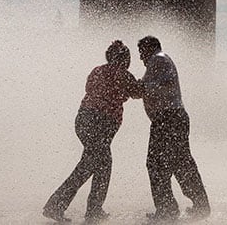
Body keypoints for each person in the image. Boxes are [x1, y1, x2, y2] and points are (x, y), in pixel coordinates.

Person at [44, 41, 143, 223]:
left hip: (83, 120)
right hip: (100, 124)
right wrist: (146, 82)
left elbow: (90, 90)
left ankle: (91, 209)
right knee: (94, 165)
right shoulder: (122, 74)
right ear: (124, 59)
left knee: (97, 164)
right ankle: (60, 205)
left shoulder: (96, 70)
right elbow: (138, 92)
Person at [138, 36, 210, 221]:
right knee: (181, 162)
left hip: (168, 118)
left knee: (156, 163)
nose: (140, 57)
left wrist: (140, 87)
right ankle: (200, 205)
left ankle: (167, 209)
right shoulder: (156, 63)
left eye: (141, 52)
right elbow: (147, 87)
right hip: (173, 118)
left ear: (151, 48)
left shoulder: (159, 59)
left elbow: (161, 84)